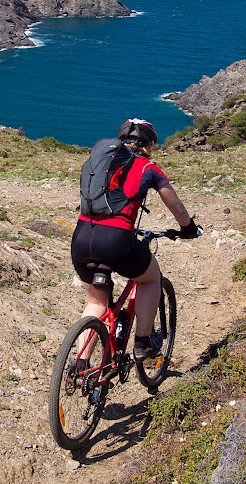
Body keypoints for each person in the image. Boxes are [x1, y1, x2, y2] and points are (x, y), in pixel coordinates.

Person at [70, 118, 199, 362]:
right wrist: (188, 228)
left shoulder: (99, 164)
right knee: (151, 279)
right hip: (116, 240)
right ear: (150, 145)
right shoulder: (147, 167)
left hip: (82, 238)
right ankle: (142, 344)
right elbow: (176, 206)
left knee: (96, 301)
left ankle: (80, 364)